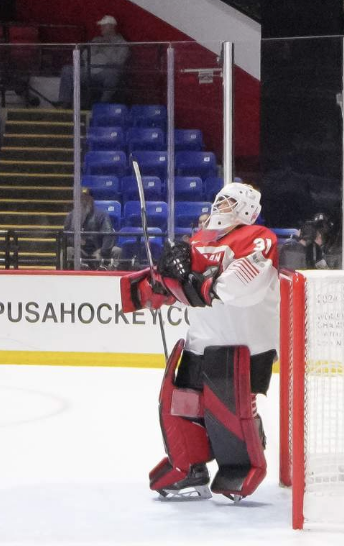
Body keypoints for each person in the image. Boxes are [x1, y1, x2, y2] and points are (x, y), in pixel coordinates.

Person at [119, 183, 280, 501]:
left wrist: (201, 284)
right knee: (179, 404)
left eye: (230, 201)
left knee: (229, 412)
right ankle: (190, 468)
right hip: (202, 340)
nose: (222, 205)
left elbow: (242, 285)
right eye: (221, 199)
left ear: (248, 209)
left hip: (243, 344)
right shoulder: (199, 239)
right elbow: (184, 283)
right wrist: (162, 282)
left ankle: (240, 467)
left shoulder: (258, 237)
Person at [58, 15, 129, 106]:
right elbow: (84, 55)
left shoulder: (121, 43)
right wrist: (96, 48)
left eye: (104, 25)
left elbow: (119, 61)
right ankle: (64, 103)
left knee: (112, 74)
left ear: (112, 27)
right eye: (101, 26)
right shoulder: (96, 40)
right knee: (67, 70)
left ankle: (103, 105)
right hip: (88, 70)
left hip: (104, 72)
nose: (101, 28)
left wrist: (105, 49)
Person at [61, 187, 118, 268]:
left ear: (91, 199)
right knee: (68, 251)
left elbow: (109, 235)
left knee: (117, 251)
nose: (84, 200)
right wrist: (76, 242)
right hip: (80, 251)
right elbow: (66, 236)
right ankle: (65, 274)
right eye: (81, 197)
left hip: (98, 250)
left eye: (86, 197)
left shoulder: (101, 215)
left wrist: (102, 251)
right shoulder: (71, 216)